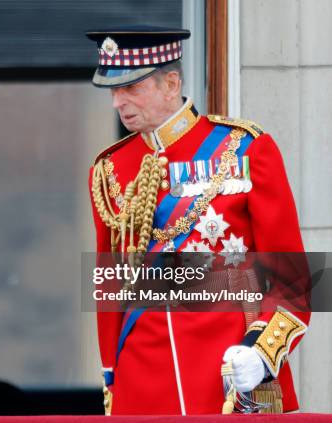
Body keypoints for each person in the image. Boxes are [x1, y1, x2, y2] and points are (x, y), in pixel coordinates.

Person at [86, 27, 310, 415]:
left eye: (131, 89)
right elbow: (109, 289)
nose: (117, 102)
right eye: (113, 91)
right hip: (143, 376)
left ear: (171, 84)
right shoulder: (110, 170)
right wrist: (113, 378)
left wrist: (262, 353)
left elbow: (293, 277)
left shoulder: (243, 148)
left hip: (229, 366)